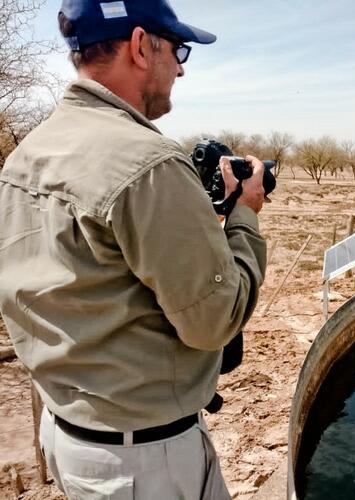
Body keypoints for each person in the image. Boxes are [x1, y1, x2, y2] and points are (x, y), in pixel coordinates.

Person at [0, 1, 267, 498]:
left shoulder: (26, 155)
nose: (182, 68)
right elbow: (214, 321)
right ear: (142, 45)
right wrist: (245, 214)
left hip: (67, 436)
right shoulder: (149, 163)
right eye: (179, 49)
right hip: (143, 462)